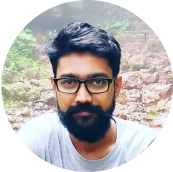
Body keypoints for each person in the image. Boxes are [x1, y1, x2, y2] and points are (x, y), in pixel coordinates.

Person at [16, 22, 160, 171]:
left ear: (116, 86)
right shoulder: (36, 140)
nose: (83, 98)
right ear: (54, 87)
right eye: (69, 82)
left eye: (97, 81)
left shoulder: (144, 147)